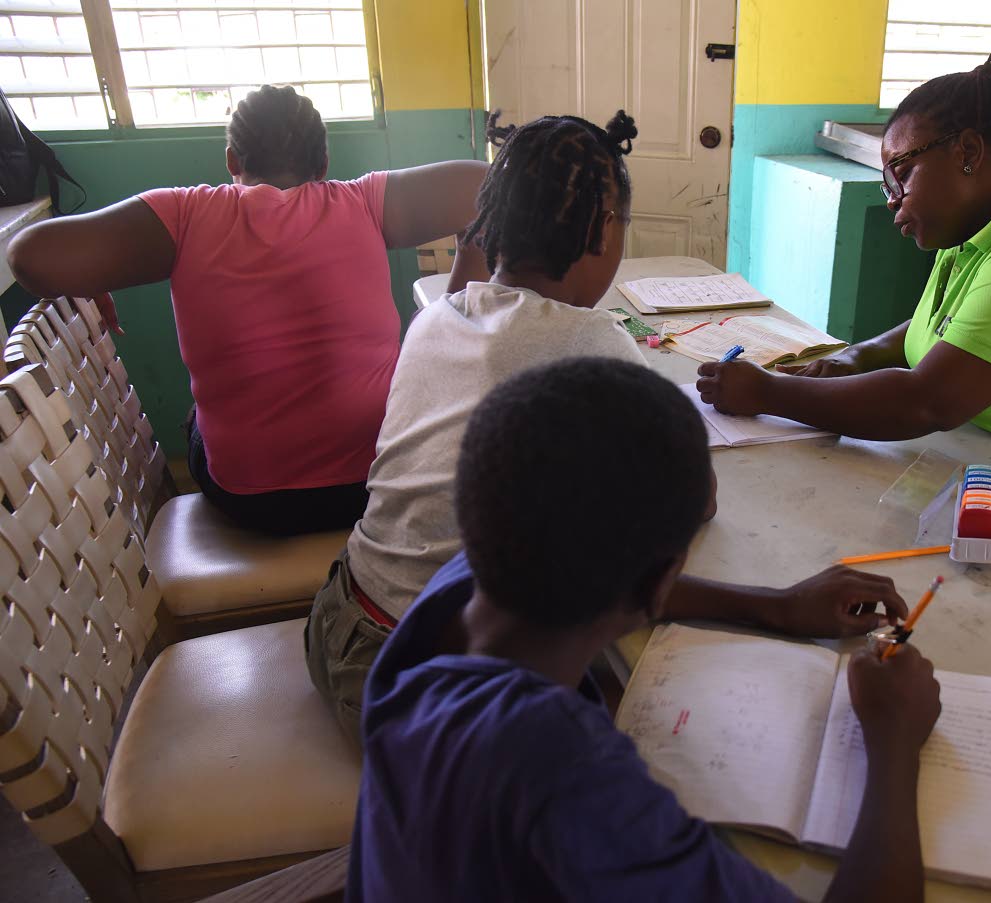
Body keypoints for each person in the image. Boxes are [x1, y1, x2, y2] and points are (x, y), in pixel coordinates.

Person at [305, 109, 910, 743]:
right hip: (421, 682)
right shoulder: (587, 340)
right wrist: (776, 604)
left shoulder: (440, 314)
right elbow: (692, 507)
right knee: (660, 727)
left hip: (339, 616)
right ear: (603, 230)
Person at [348, 357, 943, 903]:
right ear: (659, 580)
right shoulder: (565, 774)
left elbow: (604, 575)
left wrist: (774, 606)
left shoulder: (465, 586)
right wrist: (892, 741)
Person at [696, 42, 991, 518]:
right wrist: (852, 359)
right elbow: (943, 328)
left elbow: (927, 402)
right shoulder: (974, 232)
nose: (892, 199)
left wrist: (767, 392)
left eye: (901, 174)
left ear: (968, 152)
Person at [7, 84, 490, 535]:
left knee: (201, 415)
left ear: (231, 160)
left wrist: (93, 274)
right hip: (378, 481)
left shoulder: (186, 215)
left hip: (252, 503)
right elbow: (490, 187)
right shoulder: (364, 203)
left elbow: (29, 256)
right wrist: (454, 304)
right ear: (323, 164)